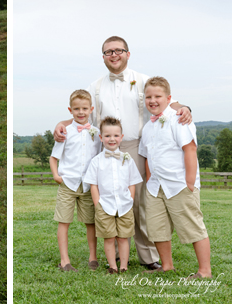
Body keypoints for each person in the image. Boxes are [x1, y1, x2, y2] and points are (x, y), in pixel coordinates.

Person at [53, 36, 192, 270]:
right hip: (104, 149)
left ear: (128, 53)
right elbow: (82, 111)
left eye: (118, 50)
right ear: (103, 57)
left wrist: (185, 108)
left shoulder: (142, 80)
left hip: (135, 147)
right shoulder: (95, 86)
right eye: (108, 52)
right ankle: (115, 254)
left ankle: (148, 256)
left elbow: (169, 101)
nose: (113, 55)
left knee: (138, 202)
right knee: (109, 197)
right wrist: (63, 122)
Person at [138, 77, 211, 279]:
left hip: (179, 184)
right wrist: (150, 178)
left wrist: (189, 182)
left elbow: (190, 149)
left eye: (158, 96)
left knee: (192, 226)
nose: (153, 100)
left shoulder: (178, 119)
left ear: (169, 98)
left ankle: (205, 271)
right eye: (149, 97)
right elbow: (146, 155)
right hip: (155, 186)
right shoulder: (147, 127)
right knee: (157, 227)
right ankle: (167, 265)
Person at [49, 89, 101, 272]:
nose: (81, 112)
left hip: (88, 185)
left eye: (85, 108)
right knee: (64, 221)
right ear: (70, 110)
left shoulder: (96, 133)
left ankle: (93, 257)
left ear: (91, 109)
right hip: (68, 183)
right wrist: (56, 175)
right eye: (77, 108)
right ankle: (65, 261)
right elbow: (54, 157)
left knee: (91, 222)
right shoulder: (65, 132)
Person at [84, 117, 143, 274]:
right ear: (101, 137)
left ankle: (123, 265)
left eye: (116, 135)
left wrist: (130, 199)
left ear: (121, 137)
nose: (112, 139)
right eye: (108, 136)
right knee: (109, 238)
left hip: (124, 205)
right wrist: (98, 204)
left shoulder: (127, 159)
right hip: (105, 205)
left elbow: (133, 181)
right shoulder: (96, 161)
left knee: (123, 237)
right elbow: (93, 184)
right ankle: (113, 266)